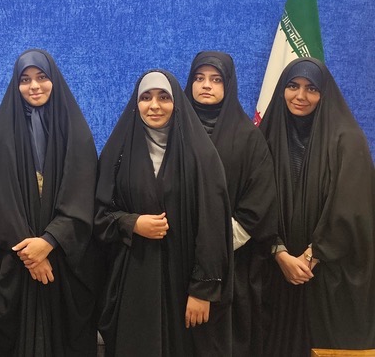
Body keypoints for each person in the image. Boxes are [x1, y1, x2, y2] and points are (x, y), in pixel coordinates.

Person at [94, 70, 231, 357]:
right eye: (146, 97)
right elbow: (98, 215)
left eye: (163, 97)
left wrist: (202, 290)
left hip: (185, 282)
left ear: (176, 103)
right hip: (134, 281)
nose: (154, 106)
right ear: (136, 104)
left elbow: (213, 225)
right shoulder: (117, 153)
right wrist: (132, 223)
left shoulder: (201, 156)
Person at [0, 49, 100, 357]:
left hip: (65, 261)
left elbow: (83, 193)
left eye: (41, 77)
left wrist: (49, 241)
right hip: (17, 261)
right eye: (25, 79)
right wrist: (30, 253)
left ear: (54, 80)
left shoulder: (76, 132)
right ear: (15, 85)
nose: (34, 86)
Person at [259, 57, 375, 355]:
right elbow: (253, 201)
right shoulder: (265, 137)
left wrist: (311, 256)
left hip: (327, 275)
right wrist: (280, 254)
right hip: (275, 274)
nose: (301, 96)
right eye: (293, 86)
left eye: (311, 88)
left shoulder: (347, 140)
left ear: (324, 93)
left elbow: (353, 208)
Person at [183, 51, 278, 356]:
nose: (206, 85)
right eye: (199, 78)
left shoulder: (248, 138)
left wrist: (213, 248)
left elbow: (257, 206)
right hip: (175, 262)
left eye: (215, 79)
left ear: (229, 85)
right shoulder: (173, 131)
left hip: (232, 270)